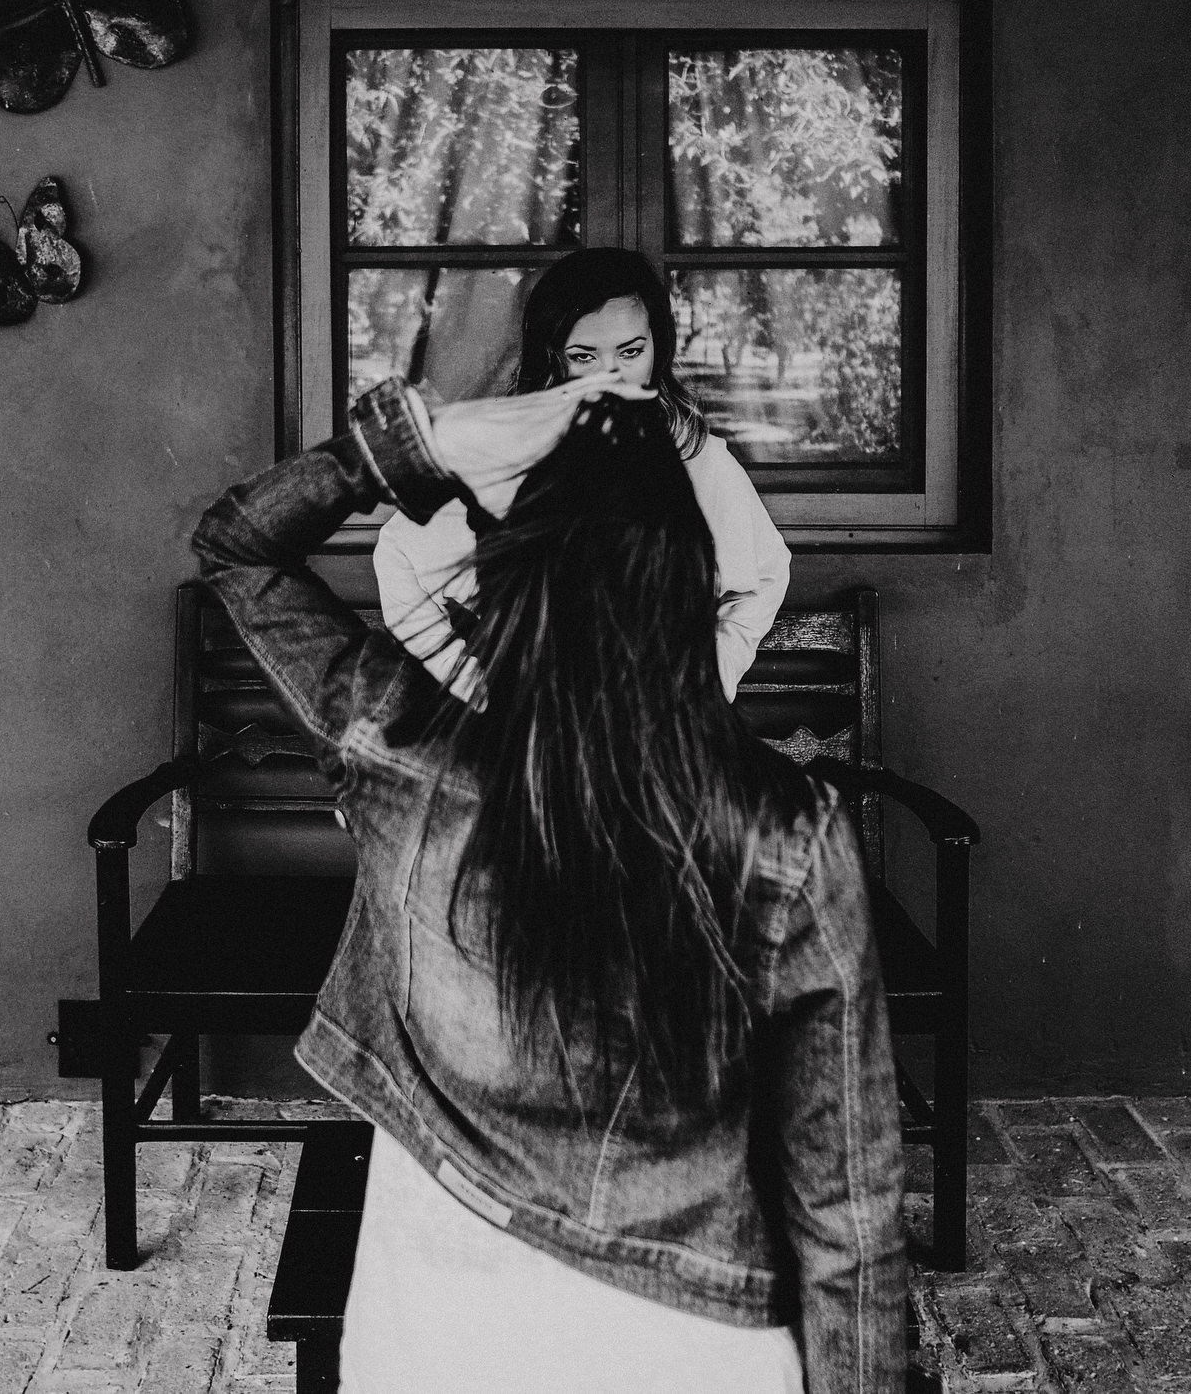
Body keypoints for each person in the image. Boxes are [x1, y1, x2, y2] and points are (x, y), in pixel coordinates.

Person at [191, 366, 904, 1393]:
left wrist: (415, 444)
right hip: (692, 1344)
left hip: (432, 1327)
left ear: (500, 581)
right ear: (688, 580)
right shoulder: (789, 835)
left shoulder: (399, 746)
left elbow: (236, 543)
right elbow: (847, 1214)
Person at [374, 248, 789, 703]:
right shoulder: (507, 461)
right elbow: (398, 551)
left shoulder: (698, 461)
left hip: (658, 729)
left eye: (631, 351)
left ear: (657, 348)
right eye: (584, 356)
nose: (611, 377)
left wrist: (708, 684)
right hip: (538, 729)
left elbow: (764, 578)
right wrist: (476, 690)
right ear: (552, 358)